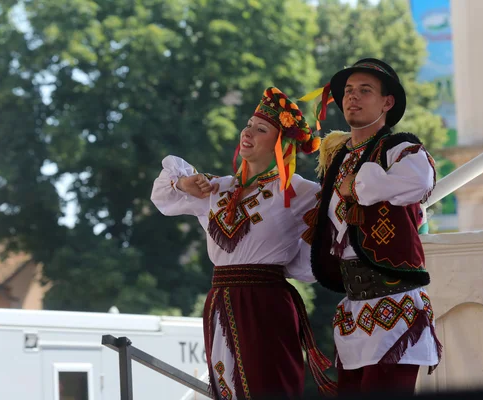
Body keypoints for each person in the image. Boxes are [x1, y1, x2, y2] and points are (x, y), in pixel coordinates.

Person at [151, 87, 335, 399]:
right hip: (221, 301)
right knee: (227, 387)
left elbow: (342, 214)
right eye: (248, 124)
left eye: (260, 129)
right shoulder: (215, 188)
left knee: (269, 386)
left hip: (267, 303)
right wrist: (184, 182)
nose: (248, 132)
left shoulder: (298, 191)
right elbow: (163, 194)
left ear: (280, 145)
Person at [300, 58, 442, 395]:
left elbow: (419, 180)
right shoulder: (337, 160)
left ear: (387, 102)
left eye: (365, 90)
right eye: (348, 91)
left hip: (395, 306)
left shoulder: (399, 149)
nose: (353, 97)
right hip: (354, 309)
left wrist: (358, 185)